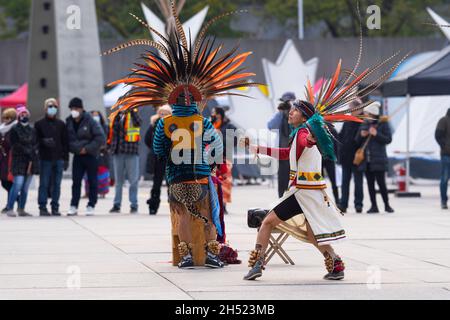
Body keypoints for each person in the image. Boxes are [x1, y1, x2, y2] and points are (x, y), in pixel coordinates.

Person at [103, 8, 260, 269]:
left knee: (184, 217)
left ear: (172, 100)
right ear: (197, 100)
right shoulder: (203, 121)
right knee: (208, 214)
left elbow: (158, 148)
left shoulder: (166, 122)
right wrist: (209, 163)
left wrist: (170, 155)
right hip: (200, 176)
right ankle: (210, 254)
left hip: (177, 177)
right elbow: (217, 146)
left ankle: (187, 255)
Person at [243, 101, 346, 281]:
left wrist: (310, 141)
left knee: (267, 222)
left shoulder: (303, 133)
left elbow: (304, 142)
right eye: (291, 110)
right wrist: (260, 149)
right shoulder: (302, 132)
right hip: (310, 192)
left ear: (304, 117)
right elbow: (286, 153)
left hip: (302, 192)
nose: (291, 113)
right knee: (313, 233)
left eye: (296, 111)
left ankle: (257, 264)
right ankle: (336, 265)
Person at [66, 98, 106, 216]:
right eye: (72, 109)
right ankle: (74, 205)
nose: (74, 111)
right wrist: (77, 149)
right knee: (76, 181)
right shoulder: (68, 121)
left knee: (92, 181)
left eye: (76, 108)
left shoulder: (90, 121)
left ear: (81, 109)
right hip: (78, 155)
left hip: (90, 155)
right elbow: (68, 140)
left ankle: (91, 205)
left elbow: (100, 138)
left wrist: (87, 148)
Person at [356, 102, 394, 214]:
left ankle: (387, 205)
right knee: (370, 184)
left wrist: (376, 134)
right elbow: (356, 141)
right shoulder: (364, 124)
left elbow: (388, 139)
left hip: (378, 159)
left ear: (372, 113)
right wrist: (360, 135)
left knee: (381, 183)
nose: (365, 115)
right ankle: (374, 206)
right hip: (366, 160)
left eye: (367, 113)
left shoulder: (383, 123)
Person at [35, 98, 69, 216]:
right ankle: (42, 207)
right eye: (50, 106)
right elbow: (35, 141)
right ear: (45, 108)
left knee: (57, 184)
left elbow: (65, 143)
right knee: (44, 184)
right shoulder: (39, 124)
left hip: (58, 158)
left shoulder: (61, 124)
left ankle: (55, 207)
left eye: (54, 106)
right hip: (45, 159)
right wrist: (43, 141)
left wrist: (66, 159)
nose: (52, 108)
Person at [5, 106, 39, 217]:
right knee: (17, 184)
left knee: (25, 188)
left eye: (26, 114)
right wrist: (28, 149)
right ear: (18, 116)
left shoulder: (32, 129)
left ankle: (21, 208)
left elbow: (35, 143)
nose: (24, 116)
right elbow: (14, 144)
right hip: (18, 160)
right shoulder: (14, 129)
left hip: (30, 161)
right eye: (21, 114)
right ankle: (10, 208)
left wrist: (32, 150)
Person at [108, 108, 142, 214]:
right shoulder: (116, 116)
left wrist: (131, 111)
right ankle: (116, 204)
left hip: (130, 151)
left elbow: (138, 123)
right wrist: (109, 146)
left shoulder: (134, 113)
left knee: (133, 181)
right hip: (118, 151)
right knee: (118, 181)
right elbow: (111, 133)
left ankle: (134, 205)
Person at [144, 105, 172, 215]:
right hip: (157, 159)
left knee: (171, 183)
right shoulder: (154, 125)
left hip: (170, 158)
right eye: (161, 113)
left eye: (166, 113)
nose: (163, 115)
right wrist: (155, 149)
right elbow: (147, 140)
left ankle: (174, 204)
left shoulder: (173, 125)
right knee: (156, 183)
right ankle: (153, 205)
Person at [338, 99, 364, 213]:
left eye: (351, 108)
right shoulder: (347, 121)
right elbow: (341, 137)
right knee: (345, 182)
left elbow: (360, 140)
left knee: (358, 182)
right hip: (346, 157)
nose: (350, 110)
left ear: (358, 109)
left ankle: (358, 204)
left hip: (357, 157)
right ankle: (343, 204)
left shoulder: (363, 121)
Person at [267, 92, 295, 198]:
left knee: (293, 179)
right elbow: (270, 126)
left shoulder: (298, 113)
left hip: (294, 152)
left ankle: (292, 200)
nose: (286, 104)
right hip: (282, 153)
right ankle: (281, 199)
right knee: (282, 178)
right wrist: (280, 112)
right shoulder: (280, 115)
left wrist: (292, 110)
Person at [211, 106, 237, 213]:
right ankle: (214, 203)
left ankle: (224, 204)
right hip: (212, 158)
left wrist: (220, 137)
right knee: (213, 181)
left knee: (225, 182)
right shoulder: (210, 124)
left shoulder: (229, 126)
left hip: (225, 158)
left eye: (215, 113)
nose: (214, 115)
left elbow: (234, 141)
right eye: (213, 113)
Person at [84, 111, 110, 198]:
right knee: (88, 174)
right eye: (93, 116)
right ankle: (88, 192)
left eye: (97, 115)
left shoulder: (105, 127)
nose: (95, 117)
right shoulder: (87, 127)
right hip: (91, 153)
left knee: (102, 173)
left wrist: (105, 147)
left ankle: (102, 192)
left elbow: (109, 139)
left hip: (103, 154)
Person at [0, 108, 17, 213]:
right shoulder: (2, 129)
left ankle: (10, 204)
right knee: (4, 182)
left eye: (7, 117)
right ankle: (16, 199)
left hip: (10, 159)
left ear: (12, 118)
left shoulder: (14, 129)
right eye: (4, 117)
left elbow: (10, 144)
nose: (5, 120)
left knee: (8, 183)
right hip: (2, 159)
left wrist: (2, 141)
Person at [435, 108, 450, 209]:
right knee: (445, 178)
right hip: (446, 154)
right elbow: (437, 135)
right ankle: (443, 200)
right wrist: (445, 146)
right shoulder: (444, 120)